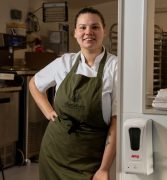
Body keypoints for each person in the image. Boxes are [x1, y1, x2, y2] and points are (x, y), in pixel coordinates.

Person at [29, 7, 118, 180]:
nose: (88, 32)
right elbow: (34, 83)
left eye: (95, 27)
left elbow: (116, 122)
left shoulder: (115, 67)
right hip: (54, 153)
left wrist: (104, 168)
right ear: (75, 33)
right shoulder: (64, 62)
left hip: (91, 158)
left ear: (104, 31)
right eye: (82, 27)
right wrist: (47, 110)